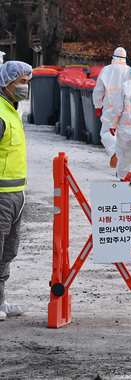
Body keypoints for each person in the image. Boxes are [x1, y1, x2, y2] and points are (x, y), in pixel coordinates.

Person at [0, 61, 32, 321]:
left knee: (8, 251)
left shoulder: (13, 109)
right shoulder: (0, 113)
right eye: (21, 82)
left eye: (27, 82)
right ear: (6, 83)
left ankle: (0, 300)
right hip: (1, 194)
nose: (25, 87)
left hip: (16, 193)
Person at [92, 47, 130, 168]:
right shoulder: (129, 70)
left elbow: (98, 90)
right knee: (123, 134)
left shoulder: (106, 70)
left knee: (106, 132)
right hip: (126, 108)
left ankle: (114, 152)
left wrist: (98, 106)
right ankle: (124, 159)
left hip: (110, 107)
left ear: (113, 57)